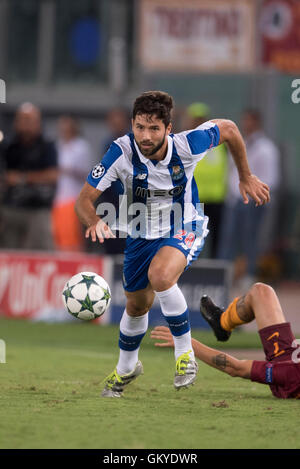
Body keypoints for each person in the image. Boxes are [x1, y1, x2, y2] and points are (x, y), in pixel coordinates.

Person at [75, 91, 270, 398]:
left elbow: (230, 129)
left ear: (168, 128)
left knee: (162, 276)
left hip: (185, 224)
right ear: (132, 124)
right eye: (140, 127)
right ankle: (127, 367)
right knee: (137, 304)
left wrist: (245, 176)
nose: (146, 135)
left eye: (154, 128)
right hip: (140, 234)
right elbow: (84, 199)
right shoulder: (120, 152)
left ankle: (185, 357)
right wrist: (93, 221)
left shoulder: (188, 144)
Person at [151, 282, 300, 399]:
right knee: (261, 291)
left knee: (260, 292)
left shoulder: (290, 374)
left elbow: (236, 368)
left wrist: (186, 341)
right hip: (292, 352)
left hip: (282, 359)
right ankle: (222, 323)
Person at [217, 109, 280, 289]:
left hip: (254, 201)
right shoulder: (238, 143)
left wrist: (253, 196)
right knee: (227, 239)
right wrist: (232, 194)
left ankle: (249, 276)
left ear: (257, 122)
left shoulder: (267, 148)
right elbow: (230, 172)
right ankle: (224, 276)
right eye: (244, 120)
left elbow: (271, 178)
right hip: (235, 200)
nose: (246, 124)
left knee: (250, 240)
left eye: (249, 121)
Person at [0, 102, 57, 250]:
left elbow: (52, 175)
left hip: (38, 207)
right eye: (22, 120)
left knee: (41, 251)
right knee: (9, 249)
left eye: (30, 120)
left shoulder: (47, 145)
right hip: (11, 207)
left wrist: (22, 178)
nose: (26, 124)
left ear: (38, 123)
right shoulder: (8, 145)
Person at [185, 102, 228, 258]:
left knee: (216, 238)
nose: (198, 122)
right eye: (196, 119)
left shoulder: (220, 143)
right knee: (192, 237)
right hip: (196, 198)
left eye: (201, 119)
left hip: (216, 198)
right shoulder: (186, 141)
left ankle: (214, 267)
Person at [52, 115, 93, 251]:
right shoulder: (57, 145)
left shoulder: (81, 146)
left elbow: (87, 173)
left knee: (73, 238)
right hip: (58, 198)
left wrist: (67, 170)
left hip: (73, 197)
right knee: (58, 236)